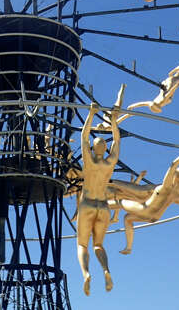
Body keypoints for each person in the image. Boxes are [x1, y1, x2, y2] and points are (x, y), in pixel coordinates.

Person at [115, 142, 179, 255]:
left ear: (175, 175)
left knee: (118, 200)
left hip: (145, 210)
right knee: (127, 218)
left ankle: (112, 216)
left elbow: (174, 164)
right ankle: (129, 247)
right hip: (155, 217)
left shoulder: (167, 186)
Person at [76, 103, 120, 295]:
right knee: (98, 244)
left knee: (82, 244)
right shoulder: (110, 163)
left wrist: (91, 114)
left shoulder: (89, 161)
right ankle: (106, 270)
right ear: (106, 148)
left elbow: (83, 137)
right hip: (103, 206)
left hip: (87, 204)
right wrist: (113, 121)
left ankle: (86, 273)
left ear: (93, 149)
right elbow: (117, 140)